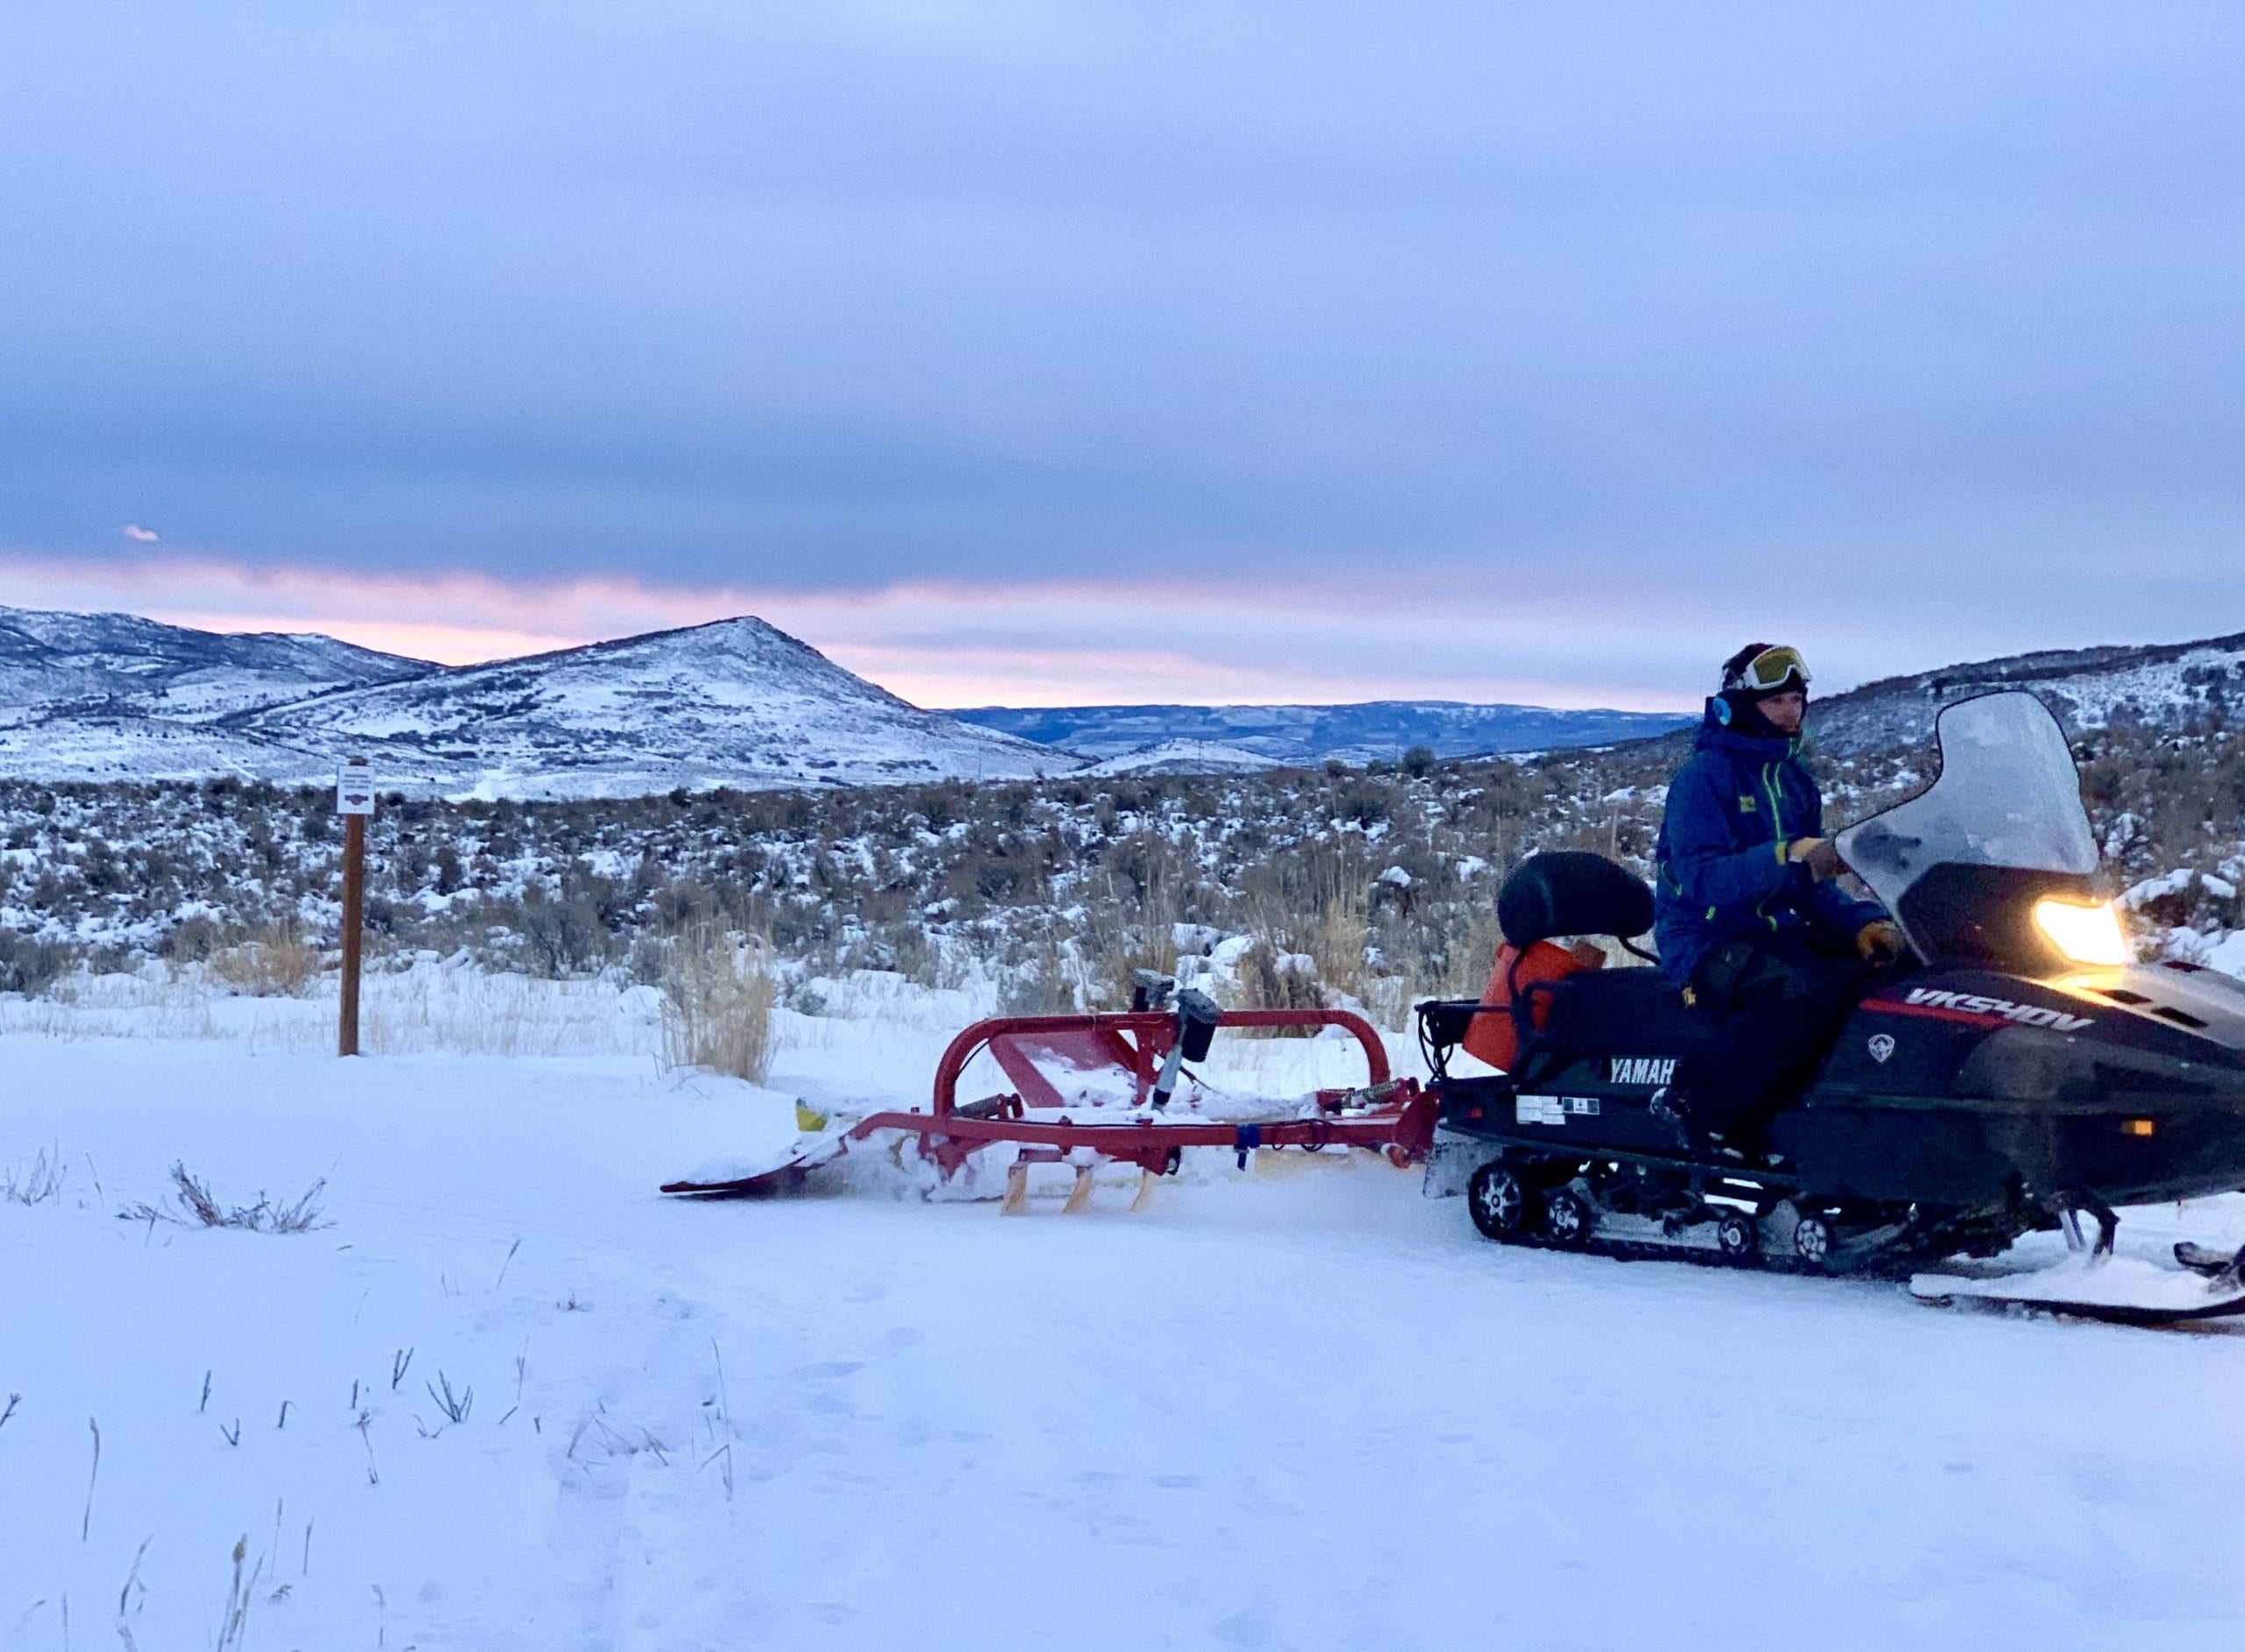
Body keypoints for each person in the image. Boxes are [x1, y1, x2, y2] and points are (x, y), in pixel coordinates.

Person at [1649, 643, 1907, 1150]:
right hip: (1705, 938)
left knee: (1881, 972)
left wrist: (1863, 923)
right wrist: (1784, 855)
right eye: (1777, 701)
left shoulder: (1794, 781)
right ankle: (1694, 1105)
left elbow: (1812, 886)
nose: (1792, 711)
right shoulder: (1703, 779)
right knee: (1801, 990)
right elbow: (1703, 881)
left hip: (1776, 933)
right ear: (1741, 706)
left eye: (1797, 699)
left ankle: (1842, 1119)